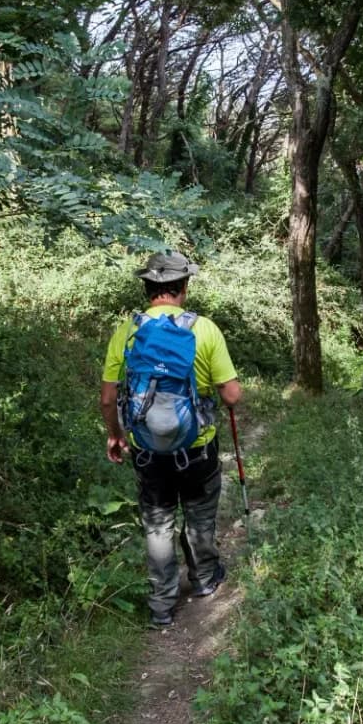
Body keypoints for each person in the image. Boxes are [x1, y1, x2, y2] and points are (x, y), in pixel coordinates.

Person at [100, 251, 242, 629]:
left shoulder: (127, 332)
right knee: (199, 514)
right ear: (184, 287)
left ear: (147, 288)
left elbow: (108, 398)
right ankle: (204, 579)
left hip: (148, 451)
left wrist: (115, 435)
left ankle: (161, 604)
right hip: (197, 448)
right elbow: (231, 395)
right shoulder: (204, 329)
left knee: (158, 524)